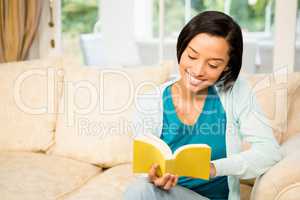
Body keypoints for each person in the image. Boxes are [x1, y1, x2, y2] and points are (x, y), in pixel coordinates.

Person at [124, 11, 282, 200]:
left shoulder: (237, 92)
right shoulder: (150, 101)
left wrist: (214, 168)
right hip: (170, 195)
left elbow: (269, 152)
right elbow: (144, 165)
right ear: (181, 48)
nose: (198, 71)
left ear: (227, 66)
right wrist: (152, 176)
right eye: (192, 56)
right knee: (139, 190)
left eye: (213, 65)